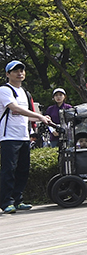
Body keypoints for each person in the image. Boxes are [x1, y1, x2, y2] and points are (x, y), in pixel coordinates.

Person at [1, 62, 52, 214]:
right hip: (8, 137)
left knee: (23, 170)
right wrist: (39, 116)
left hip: (24, 136)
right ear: (7, 74)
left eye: (21, 70)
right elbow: (15, 109)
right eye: (15, 71)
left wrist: (41, 118)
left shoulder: (25, 92)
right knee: (9, 170)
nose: (19, 73)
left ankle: (18, 200)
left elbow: (25, 115)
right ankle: (6, 202)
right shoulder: (5, 90)